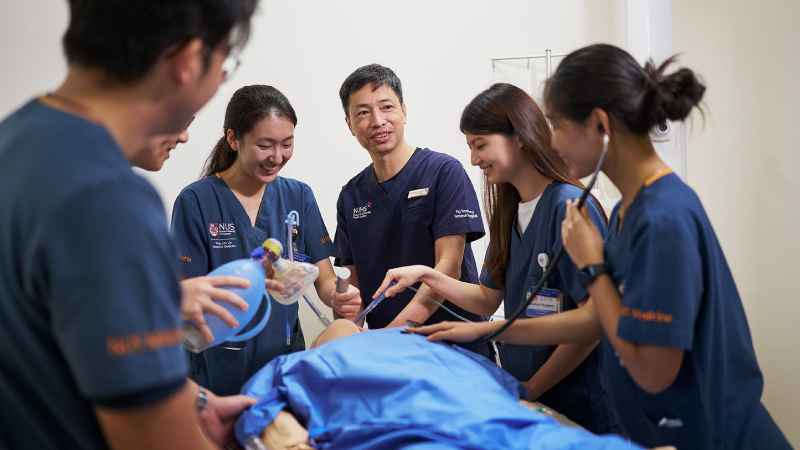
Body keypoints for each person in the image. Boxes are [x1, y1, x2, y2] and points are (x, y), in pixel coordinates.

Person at [411, 44, 791, 449]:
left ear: (599, 125)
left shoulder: (663, 217)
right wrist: (487, 329)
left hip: (713, 434)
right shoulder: (633, 208)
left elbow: (653, 371)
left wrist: (593, 267)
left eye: (556, 126)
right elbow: (601, 320)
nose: (551, 142)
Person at [0, 1, 259, 449]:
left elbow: (58, 342)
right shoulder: (106, 198)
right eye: (226, 63)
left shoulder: (17, 141)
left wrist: (193, 401)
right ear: (187, 61)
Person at [375, 83, 620, 435]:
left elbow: (591, 327)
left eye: (480, 145)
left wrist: (531, 390)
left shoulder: (567, 207)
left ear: (519, 136)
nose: (474, 160)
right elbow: (488, 297)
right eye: (471, 147)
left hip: (579, 402)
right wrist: (427, 275)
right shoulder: (510, 210)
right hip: (527, 396)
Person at [170, 84, 360, 396]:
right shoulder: (197, 201)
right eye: (265, 145)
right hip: (217, 367)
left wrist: (340, 296)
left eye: (287, 144)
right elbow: (183, 296)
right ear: (233, 139)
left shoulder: (299, 196)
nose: (277, 157)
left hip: (284, 362)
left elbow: (324, 284)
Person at [234, 323, 646, 450]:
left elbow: (254, 410)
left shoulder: (294, 365)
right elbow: (508, 389)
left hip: (441, 422)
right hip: (497, 421)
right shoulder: (414, 340)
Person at [332, 64, 492, 358]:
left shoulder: (444, 172)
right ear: (349, 124)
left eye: (387, 107)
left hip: (454, 349)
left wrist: (392, 336)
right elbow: (351, 289)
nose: (378, 121)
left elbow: (449, 267)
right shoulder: (350, 196)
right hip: (389, 356)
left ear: (404, 111)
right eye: (363, 113)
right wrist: (344, 312)